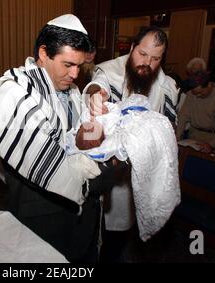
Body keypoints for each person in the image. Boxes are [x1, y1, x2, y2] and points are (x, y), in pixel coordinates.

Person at [0, 14, 120, 263]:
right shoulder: (15, 92)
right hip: (42, 218)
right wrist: (105, 172)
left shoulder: (71, 89)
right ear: (44, 53)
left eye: (79, 65)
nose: (75, 74)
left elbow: (75, 140)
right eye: (68, 65)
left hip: (80, 216)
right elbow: (46, 161)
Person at [83, 26, 178, 262]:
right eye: (142, 54)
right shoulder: (110, 71)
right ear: (133, 47)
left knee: (119, 236)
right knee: (95, 232)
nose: (147, 63)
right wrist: (95, 96)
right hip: (106, 172)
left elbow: (168, 129)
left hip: (138, 172)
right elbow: (96, 87)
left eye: (155, 58)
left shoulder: (166, 86)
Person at [176, 70, 215, 154]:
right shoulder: (191, 94)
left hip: (214, 139)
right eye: (195, 93)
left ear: (209, 85)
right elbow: (183, 117)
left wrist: (211, 144)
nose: (197, 96)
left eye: (200, 93)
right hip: (193, 136)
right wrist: (177, 136)